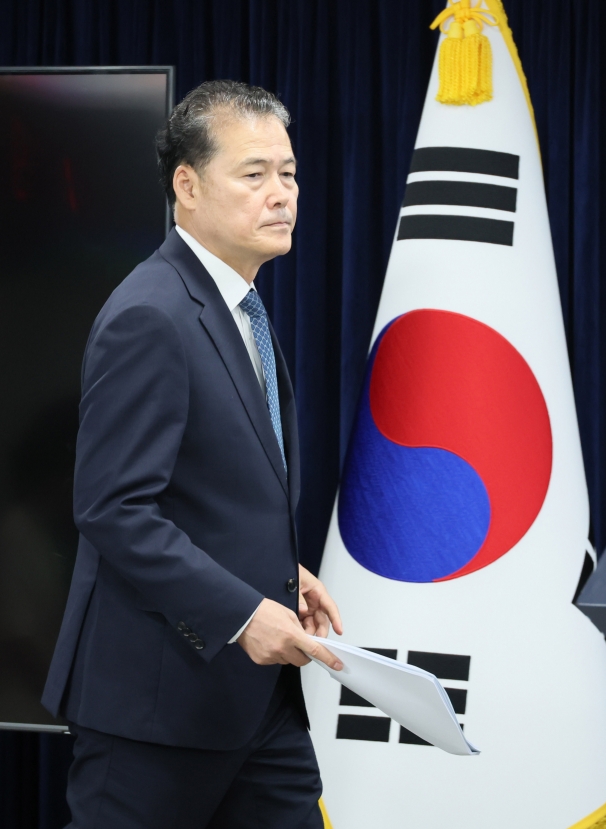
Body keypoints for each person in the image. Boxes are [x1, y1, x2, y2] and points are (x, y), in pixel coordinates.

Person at [42, 79, 344, 829]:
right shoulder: (151, 313)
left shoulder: (240, 302)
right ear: (187, 184)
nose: (282, 194)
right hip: (157, 709)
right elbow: (114, 508)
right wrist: (246, 610)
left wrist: (278, 568)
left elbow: (210, 486)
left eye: (290, 173)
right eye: (254, 174)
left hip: (257, 707)